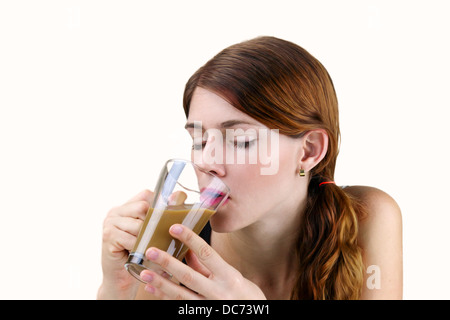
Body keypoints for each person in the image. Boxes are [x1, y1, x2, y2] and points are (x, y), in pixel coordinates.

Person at [98, 36, 402, 300]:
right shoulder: (172, 250)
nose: (205, 161)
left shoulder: (368, 217)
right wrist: (115, 290)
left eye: (240, 140)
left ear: (309, 151)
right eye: (199, 140)